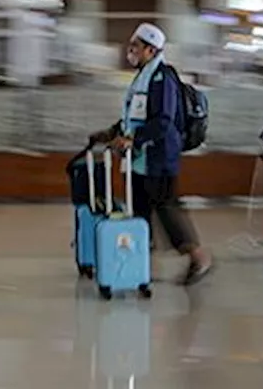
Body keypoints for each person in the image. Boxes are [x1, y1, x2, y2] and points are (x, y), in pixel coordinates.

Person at [90, 23, 213, 285]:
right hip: (140, 159)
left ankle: (199, 257)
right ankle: (138, 263)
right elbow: (135, 116)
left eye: (135, 46)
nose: (130, 51)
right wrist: (112, 133)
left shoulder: (163, 77)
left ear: (150, 49)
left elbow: (163, 120)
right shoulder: (144, 75)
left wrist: (132, 139)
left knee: (167, 208)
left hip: (159, 158)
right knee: (140, 210)